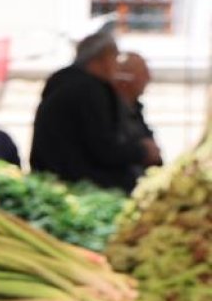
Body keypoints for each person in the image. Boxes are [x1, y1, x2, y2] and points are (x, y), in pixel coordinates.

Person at [30, 31, 157, 191]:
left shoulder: (65, 82)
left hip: (54, 175)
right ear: (104, 59)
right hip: (76, 184)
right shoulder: (90, 90)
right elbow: (104, 148)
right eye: (115, 59)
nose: (117, 66)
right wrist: (142, 151)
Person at [114, 51, 162, 168]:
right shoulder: (112, 112)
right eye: (143, 73)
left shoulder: (135, 109)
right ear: (126, 78)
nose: (149, 78)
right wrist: (143, 150)